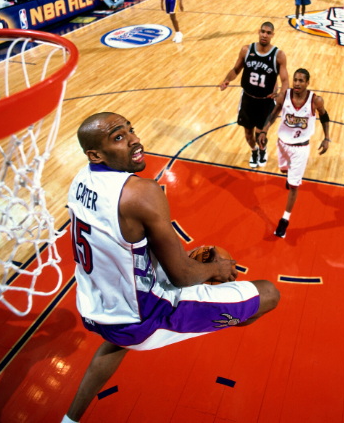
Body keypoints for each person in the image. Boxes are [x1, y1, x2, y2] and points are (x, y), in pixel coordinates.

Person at [61, 112, 280, 423]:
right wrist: (216, 270)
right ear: (96, 153)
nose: (135, 139)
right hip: (144, 318)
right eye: (119, 138)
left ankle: (69, 420)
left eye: (131, 130)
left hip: (96, 307)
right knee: (269, 294)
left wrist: (184, 259)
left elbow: (124, 242)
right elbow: (181, 275)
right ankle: (216, 317)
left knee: (118, 343)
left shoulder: (80, 181)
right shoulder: (142, 193)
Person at [258, 69, 330, 238]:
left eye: (301, 81)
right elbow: (275, 112)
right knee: (284, 170)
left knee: (293, 186)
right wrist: (264, 130)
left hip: (300, 148)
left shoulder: (316, 101)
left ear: (307, 83)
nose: (297, 83)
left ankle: (285, 219)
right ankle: (289, 175)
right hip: (282, 143)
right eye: (295, 80)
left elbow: (325, 116)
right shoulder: (284, 96)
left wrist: (327, 138)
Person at [219, 22, 289, 168]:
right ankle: (254, 151)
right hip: (248, 100)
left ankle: (262, 150)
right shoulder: (246, 50)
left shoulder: (279, 55)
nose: (265, 35)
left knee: (260, 134)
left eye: (268, 32)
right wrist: (227, 79)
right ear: (258, 32)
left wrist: (282, 93)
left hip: (265, 102)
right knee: (248, 135)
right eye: (262, 31)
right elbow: (235, 70)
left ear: (273, 35)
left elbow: (285, 80)